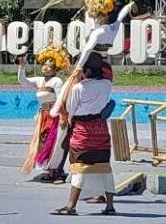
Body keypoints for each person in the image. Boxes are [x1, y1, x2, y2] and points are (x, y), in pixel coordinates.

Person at [50, 52, 116, 216]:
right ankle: (110, 205)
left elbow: (71, 109)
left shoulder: (79, 87)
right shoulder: (106, 85)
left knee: (79, 167)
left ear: (86, 70)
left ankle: (71, 205)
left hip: (83, 129)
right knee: (105, 167)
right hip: (100, 128)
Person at [18, 43, 69, 183]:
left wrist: (63, 117)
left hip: (55, 116)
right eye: (44, 65)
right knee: (44, 143)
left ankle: (57, 172)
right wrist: (22, 67)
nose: (45, 68)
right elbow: (23, 81)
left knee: (56, 143)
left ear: (55, 68)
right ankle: (50, 169)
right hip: (43, 116)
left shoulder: (57, 81)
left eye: (50, 66)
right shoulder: (39, 80)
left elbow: (61, 99)